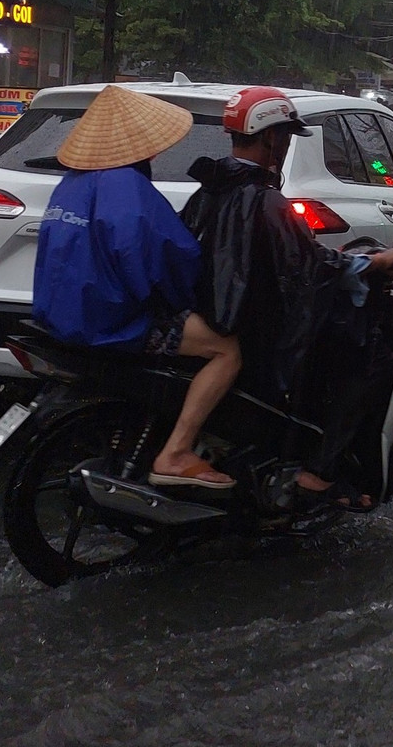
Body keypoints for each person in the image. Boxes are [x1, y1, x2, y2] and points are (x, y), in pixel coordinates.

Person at [179, 86, 393, 510]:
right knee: (364, 362)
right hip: (258, 331)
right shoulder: (265, 200)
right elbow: (311, 267)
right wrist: (372, 264)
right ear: (270, 138)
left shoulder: (209, 188)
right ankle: (317, 472)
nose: (284, 147)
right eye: (283, 138)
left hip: (214, 315)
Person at [33, 86, 242, 489]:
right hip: (107, 320)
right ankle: (177, 452)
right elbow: (166, 260)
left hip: (59, 314)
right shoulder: (128, 188)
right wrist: (191, 299)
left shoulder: (73, 184)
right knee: (226, 347)